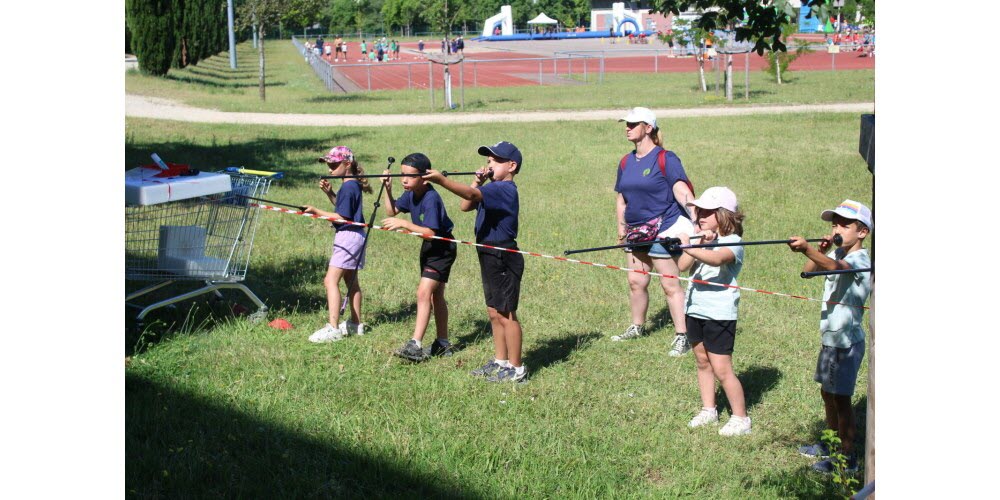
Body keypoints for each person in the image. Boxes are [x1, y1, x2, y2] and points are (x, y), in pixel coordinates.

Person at [423, 142, 527, 383]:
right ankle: (500, 360)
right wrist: (477, 182)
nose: (489, 163)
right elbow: (465, 206)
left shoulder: (505, 189)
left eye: (496, 161)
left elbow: (469, 196)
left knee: (506, 313)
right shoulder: (491, 189)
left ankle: (517, 368)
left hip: (503, 255)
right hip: (488, 253)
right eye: (488, 160)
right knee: (493, 312)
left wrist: (441, 181)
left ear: (511, 166)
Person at [787, 199, 872, 474]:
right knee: (828, 393)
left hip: (846, 342)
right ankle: (830, 443)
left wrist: (810, 249)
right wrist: (818, 252)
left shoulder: (860, 260)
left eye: (845, 224)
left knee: (842, 399)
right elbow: (807, 273)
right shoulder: (836, 254)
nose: (837, 228)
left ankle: (848, 458)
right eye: (834, 223)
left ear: (862, 232)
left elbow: (838, 269)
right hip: (831, 338)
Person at [612, 107, 696, 358]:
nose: (627, 127)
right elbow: (621, 198)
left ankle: (683, 336)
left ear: (648, 128)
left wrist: (697, 219)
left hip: (663, 227)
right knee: (636, 282)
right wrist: (621, 226)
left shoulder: (666, 158)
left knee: (670, 284)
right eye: (626, 124)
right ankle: (636, 327)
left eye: (633, 124)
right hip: (636, 232)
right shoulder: (626, 161)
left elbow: (681, 190)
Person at [676, 187, 750, 436]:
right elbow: (683, 266)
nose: (700, 216)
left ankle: (741, 418)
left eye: (708, 211)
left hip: (719, 313)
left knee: (722, 368)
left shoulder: (733, 242)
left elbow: (719, 259)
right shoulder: (702, 240)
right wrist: (696, 241)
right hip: (695, 308)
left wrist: (689, 245)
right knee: (702, 361)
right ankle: (709, 409)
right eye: (700, 211)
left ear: (723, 214)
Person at [379, 153, 458, 362]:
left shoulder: (431, 198)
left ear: (424, 177)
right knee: (435, 295)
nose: (404, 180)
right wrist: (387, 188)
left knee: (423, 293)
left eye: (410, 176)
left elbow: (431, 232)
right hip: (430, 248)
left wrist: (405, 224)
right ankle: (442, 343)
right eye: (401, 175)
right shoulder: (412, 191)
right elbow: (392, 210)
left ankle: (415, 344)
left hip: (441, 249)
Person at [302, 146, 374, 343]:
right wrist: (330, 194)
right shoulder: (351, 185)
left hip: (348, 238)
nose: (330, 169)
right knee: (351, 282)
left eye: (334, 164)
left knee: (330, 281)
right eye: (328, 165)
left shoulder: (349, 186)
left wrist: (316, 211)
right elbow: (346, 211)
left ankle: (333, 327)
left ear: (347, 164)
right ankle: (355, 324)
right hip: (355, 236)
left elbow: (342, 217)